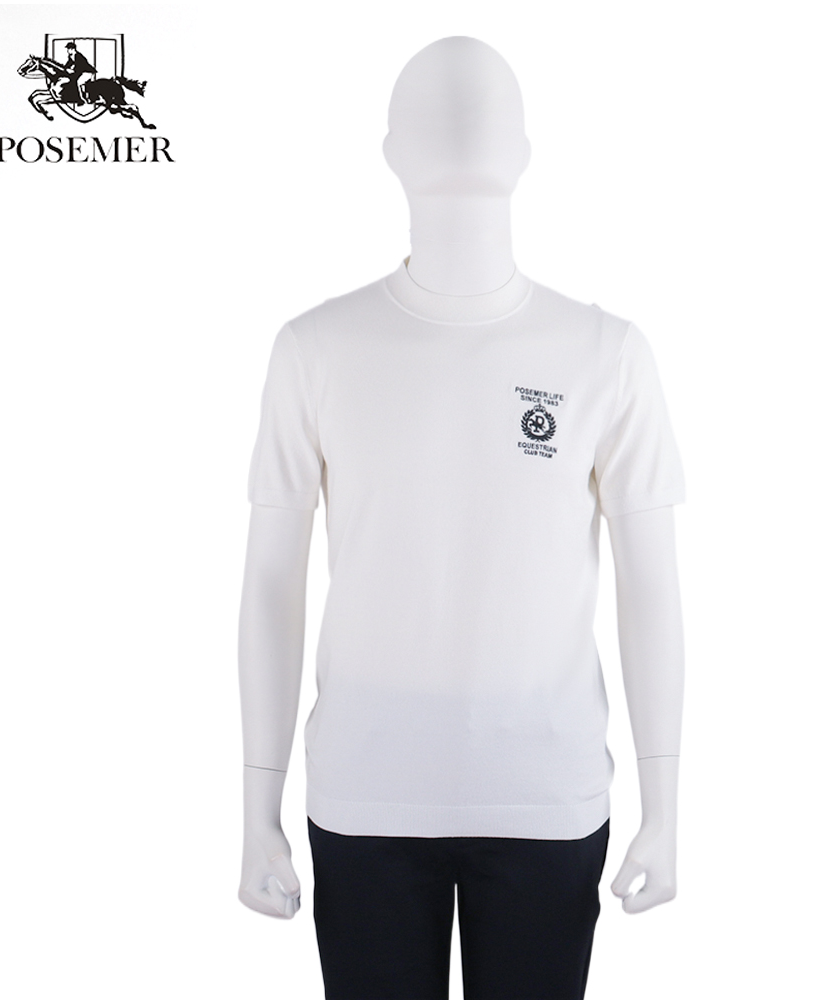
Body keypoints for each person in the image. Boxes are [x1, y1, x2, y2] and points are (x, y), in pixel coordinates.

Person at [238, 35, 687, 1000]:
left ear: (526, 154)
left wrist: (667, 803)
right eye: (435, 112)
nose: (461, 127)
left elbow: (653, 585)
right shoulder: (315, 349)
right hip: (366, 796)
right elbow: (272, 581)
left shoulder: (604, 353)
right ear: (389, 154)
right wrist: (255, 807)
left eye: (483, 112)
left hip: (547, 796)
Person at [62, 40, 95, 106]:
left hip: (88, 72)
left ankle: (82, 99)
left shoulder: (78, 56)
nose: (67, 51)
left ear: (72, 49)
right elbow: (68, 64)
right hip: (82, 72)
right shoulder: (71, 56)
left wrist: (72, 71)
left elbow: (80, 67)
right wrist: (64, 69)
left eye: (68, 49)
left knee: (78, 82)